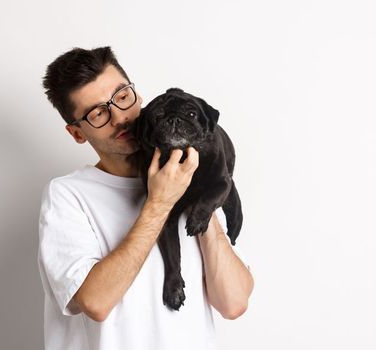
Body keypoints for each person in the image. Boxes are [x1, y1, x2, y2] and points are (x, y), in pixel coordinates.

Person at [38, 46, 254, 350]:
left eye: (122, 97)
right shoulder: (68, 195)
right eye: (98, 113)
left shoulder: (187, 176)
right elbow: (96, 302)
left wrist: (197, 190)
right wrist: (160, 202)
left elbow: (233, 303)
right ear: (77, 133)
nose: (120, 118)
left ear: (137, 95)